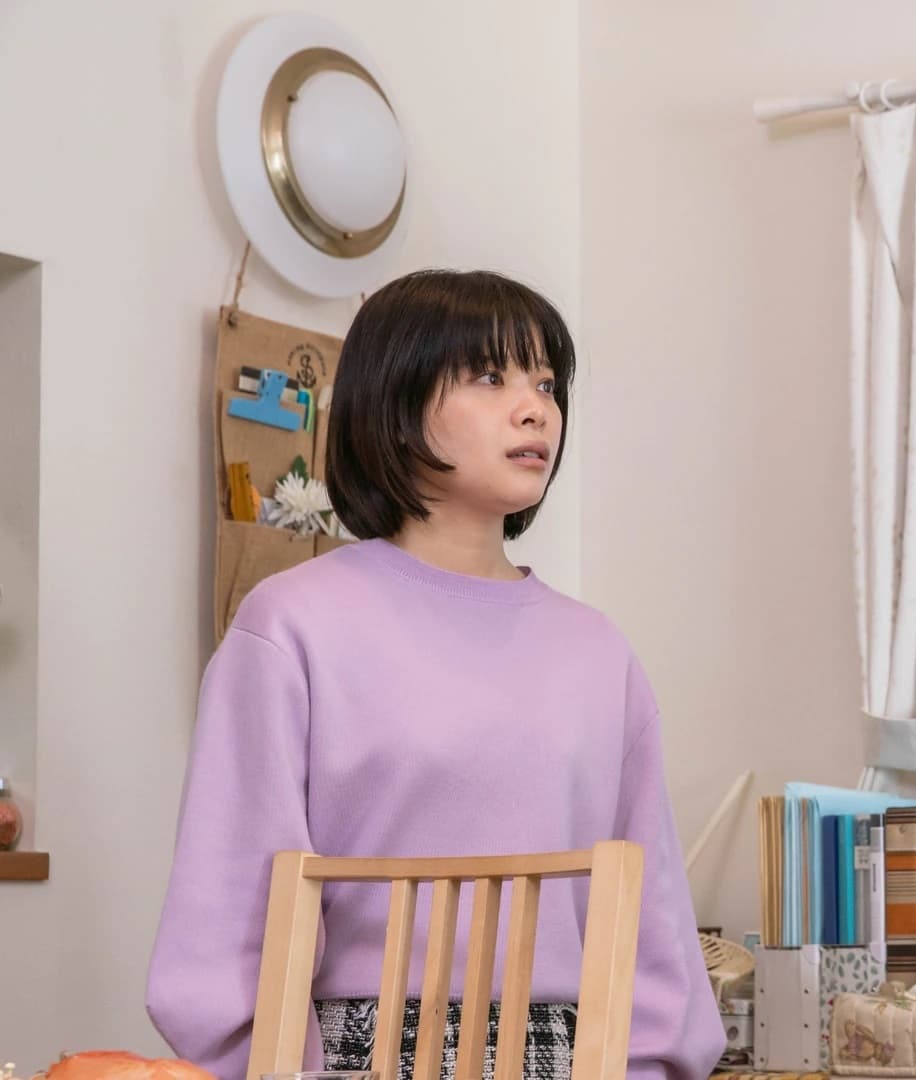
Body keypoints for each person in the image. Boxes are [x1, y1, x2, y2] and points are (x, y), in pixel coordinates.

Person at [147, 270, 724, 1080]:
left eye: (546, 384)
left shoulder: (598, 652)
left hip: (570, 1061)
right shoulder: (289, 625)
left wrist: (644, 1071)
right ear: (395, 398)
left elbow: (652, 923)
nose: (535, 409)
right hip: (339, 1063)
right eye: (490, 376)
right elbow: (228, 914)